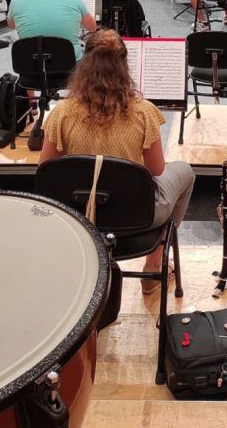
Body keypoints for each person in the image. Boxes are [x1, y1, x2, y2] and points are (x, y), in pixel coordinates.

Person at [39, 28, 194, 292]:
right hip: (135, 213)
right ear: (124, 66)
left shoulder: (62, 112)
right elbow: (156, 169)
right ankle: (154, 264)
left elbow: (45, 170)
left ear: (84, 65)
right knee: (185, 172)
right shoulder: (143, 111)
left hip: (79, 212)